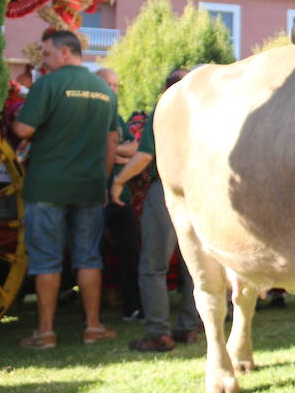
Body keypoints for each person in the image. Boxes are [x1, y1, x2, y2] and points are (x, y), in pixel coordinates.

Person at [13, 30, 119, 349]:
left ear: (63, 53)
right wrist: (103, 180)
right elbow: (111, 141)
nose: (44, 61)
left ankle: (45, 332)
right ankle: (93, 328)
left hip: (48, 185)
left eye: (46, 54)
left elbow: (23, 129)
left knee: (46, 259)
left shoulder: (48, 83)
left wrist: (20, 118)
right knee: (88, 257)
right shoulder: (104, 89)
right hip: (88, 185)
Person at [111, 68, 202, 352]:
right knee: (194, 266)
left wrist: (119, 180)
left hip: (166, 190)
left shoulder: (165, 109)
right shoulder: (204, 112)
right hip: (201, 192)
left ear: (166, 90)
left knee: (153, 266)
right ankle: (189, 328)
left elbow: (145, 155)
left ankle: (158, 332)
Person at [96, 68, 143, 321]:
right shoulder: (90, 115)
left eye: (116, 85)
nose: (112, 90)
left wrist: (113, 151)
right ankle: (91, 314)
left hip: (120, 196)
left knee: (130, 250)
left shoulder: (117, 117)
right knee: (93, 252)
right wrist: (119, 152)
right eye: (108, 85)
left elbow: (135, 147)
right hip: (94, 196)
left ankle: (133, 307)